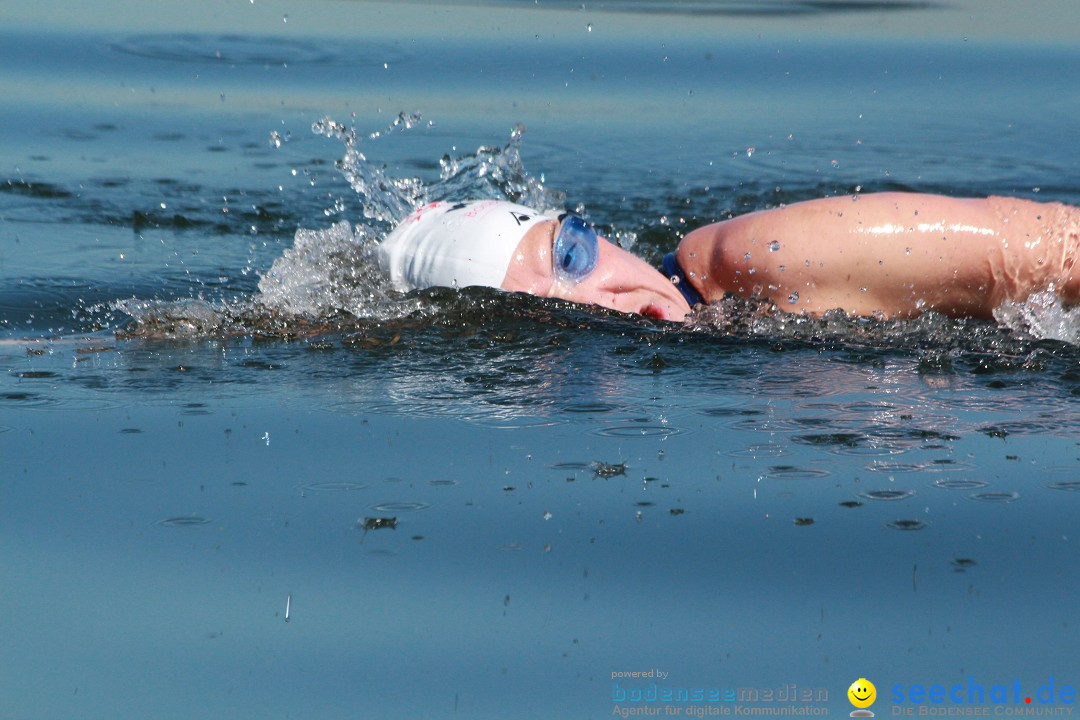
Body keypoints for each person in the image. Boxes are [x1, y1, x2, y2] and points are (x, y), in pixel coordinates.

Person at [377, 194, 1080, 322]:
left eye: (572, 255)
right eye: (548, 321)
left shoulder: (756, 259)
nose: (602, 300)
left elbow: (1055, 251)